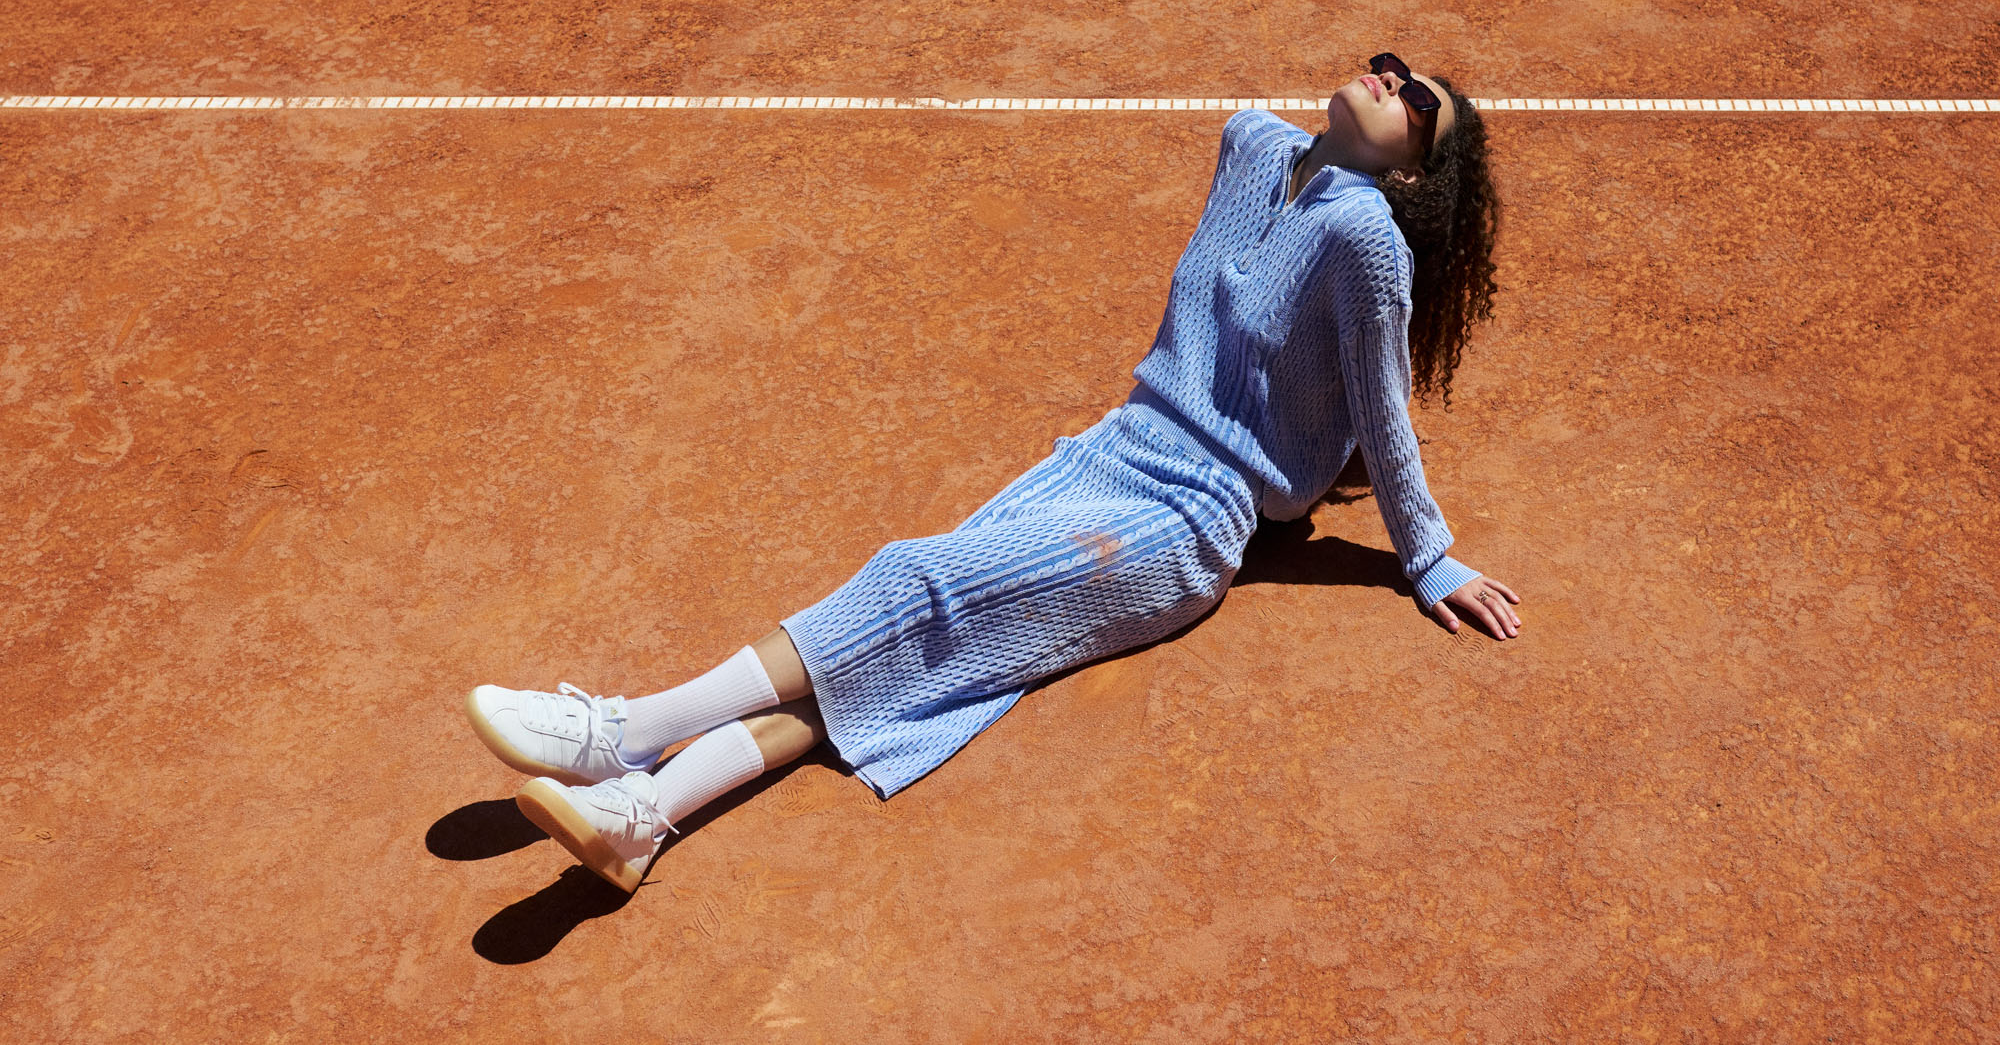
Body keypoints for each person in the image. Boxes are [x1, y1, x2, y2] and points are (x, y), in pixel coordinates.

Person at [465, 54, 1524, 893]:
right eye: (1389, 62)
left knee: (909, 584)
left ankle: (623, 731)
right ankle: (638, 819)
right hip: (1113, 448)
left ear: (1415, 170)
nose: (1387, 76)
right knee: (911, 649)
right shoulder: (1251, 145)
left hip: (1187, 517)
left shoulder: (1369, 238)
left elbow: (1379, 398)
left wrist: (1423, 556)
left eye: (1413, 100)